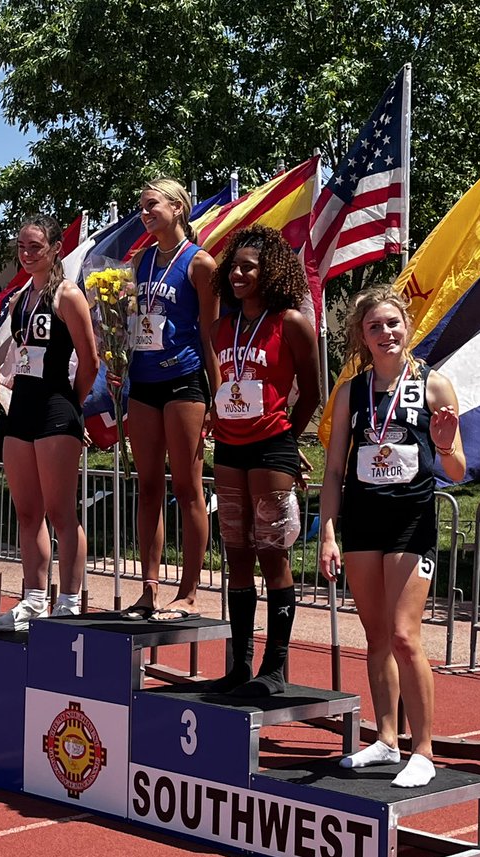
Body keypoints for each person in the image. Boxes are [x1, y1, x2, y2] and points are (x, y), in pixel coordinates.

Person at [318, 284, 464, 789]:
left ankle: (423, 749)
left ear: (408, 327)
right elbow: (334, 468)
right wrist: (328, 534)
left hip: (410, 521)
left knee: (404, 635)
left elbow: (457, 467)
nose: (386, 333)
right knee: (376, 637)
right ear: (363, 336)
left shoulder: (434, 385)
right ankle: (385, 739)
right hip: (361, 522)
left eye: (393, 323)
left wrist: (444, 447)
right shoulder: (351, 392)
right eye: (375, 326)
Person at [208, 224, 320, 697]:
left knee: (272, 552)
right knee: (236, 553)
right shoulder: (221, 327)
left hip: (272, 444)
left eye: (247, 268)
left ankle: (273, 669)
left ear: (269, 272)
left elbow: (311, 392)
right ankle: (239, 666)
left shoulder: (291, 321)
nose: (237, 274)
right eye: (233, 267)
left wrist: (287, 439)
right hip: (229, 448)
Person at [0, 215, 99, 631]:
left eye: (35, 246)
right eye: (21, 246)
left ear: (55, 248)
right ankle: (33, 598)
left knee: (60, 512)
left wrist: (73, 403)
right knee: (28, 512)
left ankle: (68, 600)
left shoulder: (68, 295)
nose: (27, 253)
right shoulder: (18, 300)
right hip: (22, 410)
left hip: (57, 407)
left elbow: (89, 360)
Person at [121, 178, 219, 622]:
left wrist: (218, 396)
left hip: (183, 380)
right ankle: (148, 588)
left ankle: (189, 591)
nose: (144, 212)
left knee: (186, 487)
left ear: (179, 208)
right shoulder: (139, 261)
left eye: (152, 204)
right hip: (141, 382)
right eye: (141, 206)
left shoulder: (200, 263)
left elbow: (210, 334)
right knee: (147, 487)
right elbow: (127, 322)